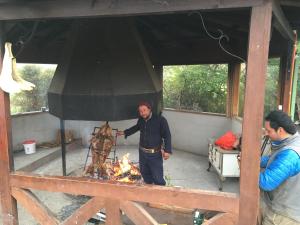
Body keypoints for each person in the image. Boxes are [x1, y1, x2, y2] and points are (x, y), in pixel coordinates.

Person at [260, 110, 300, 225]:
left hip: (283, 216)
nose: (266, 133)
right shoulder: (293, 141)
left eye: (269, 131)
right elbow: (276, 160)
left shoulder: (291, 154)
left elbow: (266, 182)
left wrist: (246, 169)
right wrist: (256, 161)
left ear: (280, 130)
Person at [117, 101, 171, 185]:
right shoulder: (141, 120)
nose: (142, 113)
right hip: (142, 153)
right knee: (144, 173)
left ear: (149, 110)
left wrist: (167, 150)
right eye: (140, 111)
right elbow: (136, 127)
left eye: (144, 110)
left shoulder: (160, 120)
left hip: (155, 154)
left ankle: (160, 193)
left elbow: (167, 135)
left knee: (158, 177)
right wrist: (125, 132)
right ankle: (149, 188)